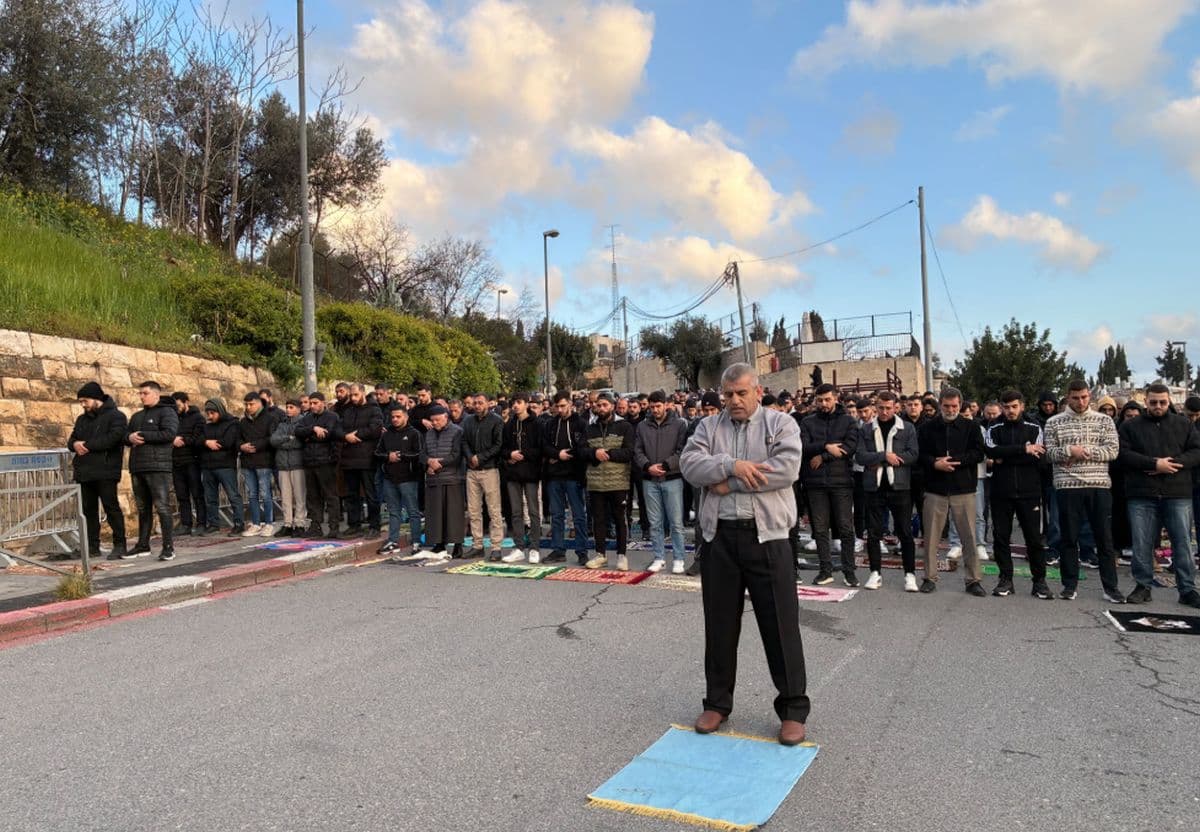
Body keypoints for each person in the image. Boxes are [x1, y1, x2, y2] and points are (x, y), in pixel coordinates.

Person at [680, 363, 808, 747]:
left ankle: (792, 709)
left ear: (758, 391)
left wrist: (728, 483)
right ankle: (717, 703)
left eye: (741, 393)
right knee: (719, 626)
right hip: (719, 538)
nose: (734, 400)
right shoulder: (707, 427)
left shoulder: (781, 424)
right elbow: (690, 465)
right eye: (728, 394)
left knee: (780, 625)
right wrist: (730, 465)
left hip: (767, 537)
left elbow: (785, 469)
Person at [1118, 383, 1200, 607]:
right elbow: (1123, 454)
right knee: (1142, 543)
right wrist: (1153, 463)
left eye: (1162, 402)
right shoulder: (1130, 426)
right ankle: (1143, 586)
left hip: (1177, 493)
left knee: (1182, 543)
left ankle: (1187, 589)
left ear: (1169, 401)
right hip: (1142, 494)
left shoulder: (1184, 424)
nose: (1158, 406)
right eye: (1153, 402)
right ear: (1146, 401)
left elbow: (1196, 451)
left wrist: (1171, 464)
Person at [1043, 380, 1125, 603]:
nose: (1080, 402)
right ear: (1068, 397)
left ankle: (1111, 588)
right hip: (1067, 486)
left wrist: (1082, 452)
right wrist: (1070, 450)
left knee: (1104, 539)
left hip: (1098, 485)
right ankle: (1069, 586)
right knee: (1068, 538)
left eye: (1084, 397)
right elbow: (1049, 454)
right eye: (1075, 398)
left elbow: (1112, 451)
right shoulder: (1053, 422)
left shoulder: (1104, 420)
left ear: (1090, 396)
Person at [917, 387, 987, 595]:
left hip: (963, 488)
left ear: (960, 405)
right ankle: (929, 577)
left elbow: (978, 453)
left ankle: (973, 580)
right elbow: (920, 455)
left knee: (969, 537)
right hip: (935, 489)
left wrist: (956, 461)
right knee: (931, 537)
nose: (950, 409)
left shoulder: (971, 426)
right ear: (940, 405)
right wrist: (935, 463)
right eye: (946, 406)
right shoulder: (927, 428)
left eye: (954, 406)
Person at [984, 391, 1052, 599]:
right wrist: (1023, 449)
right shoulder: (993, 427)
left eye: (1014, 406)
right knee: (1001, 537)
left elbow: (1039, 456)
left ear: (1022, 405)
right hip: (1001, 491)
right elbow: (991, 451)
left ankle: (1039, 582)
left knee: (1034, 539)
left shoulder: (1034, 426)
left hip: (1029, 491)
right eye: (1006, 407)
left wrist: (1005, 455)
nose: (1010, 411)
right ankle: (1005, 580)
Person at [855, 391, 918, 591]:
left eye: (888, 408)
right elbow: (860, 456)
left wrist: (883, 459)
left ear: (895, 407)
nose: (884, 412)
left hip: (900, 486)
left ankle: (910, 574)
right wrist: (884, 456)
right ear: (876, 407)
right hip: (873, 487)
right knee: (874, 533)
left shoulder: (907, 428)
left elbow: (913, 454)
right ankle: (875, 573)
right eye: (881, 408)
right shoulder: (866, 429)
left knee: (905, 532)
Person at [800, 384, 860, 587]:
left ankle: (849, 571)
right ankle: (825, 570)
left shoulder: (848, 421)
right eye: (820, 400)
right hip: (814, 483)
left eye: (827, 399)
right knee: (819, 529)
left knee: (845, 528)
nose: (823, 404)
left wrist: (823, 456)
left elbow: (848, 448)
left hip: (841, 482)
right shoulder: (807, 422)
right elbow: (803, 447)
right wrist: (826, 446)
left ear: (836, 398)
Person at [67, 382, 128, 560]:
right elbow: (71, 440)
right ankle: (92, 547)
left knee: (111, 508)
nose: (83, 405)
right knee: (88, 511)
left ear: (96, 398)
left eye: (85, 401)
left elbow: (112, 439)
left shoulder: (117, 416)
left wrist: (85, 445)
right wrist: (75, 444)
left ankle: (120, 545)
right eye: (81, 402)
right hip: (84, 471)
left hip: (106, 470)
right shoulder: (82, 419)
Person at [634, 390, 690, 574]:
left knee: (676, 522)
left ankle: (679, 558)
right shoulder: (642, 426)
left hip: (672, 478)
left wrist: (666, 465)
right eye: (652, 407)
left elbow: (683, 450)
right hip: (650, 479)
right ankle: (659, 557)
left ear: (666, 405)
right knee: (655, 522)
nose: (655, 410)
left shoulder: (679, 425)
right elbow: (637, 450)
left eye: (658, 406)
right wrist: (647, 466)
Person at [580, 391, 635, 570]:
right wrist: (594, 453)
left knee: (619, 519)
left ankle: (622, 555)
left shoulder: (624, 426)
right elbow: (581, 451)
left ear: (612, 406)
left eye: (605, 405)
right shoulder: (590, 428)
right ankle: (600, 554)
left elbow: (629, 452)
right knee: (598, 520)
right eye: (599, 405)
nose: (601, 408)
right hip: (596, 483)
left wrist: (609, 454)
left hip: (618, 482)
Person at [125, 381, 179, 561]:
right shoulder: (137, 416)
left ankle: (168, 547)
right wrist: (129, 437)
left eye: (145, 393)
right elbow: (125, 436)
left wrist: (142, 435)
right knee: (143, 508)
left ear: (156, 394)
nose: (141, 396)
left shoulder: (167, 412)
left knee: (162, 507)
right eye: (140, 393)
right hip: (137, 467)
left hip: (158, 467)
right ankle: (142, 545)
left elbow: (169, 434)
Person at [542, 391, 590, 565]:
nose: (560, 410)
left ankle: (582, 551)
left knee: (578, 515)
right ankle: (558, 550)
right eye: (558, 406)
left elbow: (582, 447)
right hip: (554, 476)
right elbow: (544, 445)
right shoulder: (551, 424)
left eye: (563, 406)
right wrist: (556, 454)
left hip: (574, 475)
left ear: (570, 403)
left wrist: (563, 455)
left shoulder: (581, 423)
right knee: (556, 515)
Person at [375, 406, 423, 557]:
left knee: (413, 512)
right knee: (393, 512)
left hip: (408, 478)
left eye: (398, 416)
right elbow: (377, 453)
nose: (395, 419)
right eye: (393, 417)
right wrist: (388, 457)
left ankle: (416, 542)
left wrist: (401, 456)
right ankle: (393, 541)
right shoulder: (386, 434)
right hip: (389, 478)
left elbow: (419, 454)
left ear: (406, 417)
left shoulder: (414, 433)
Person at [295, 392, 345, 538]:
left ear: (323, 402)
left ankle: (334, 527)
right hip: (309, 461)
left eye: (315, 403)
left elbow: (328, 434)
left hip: (326, 461)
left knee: (331, 495)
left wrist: (309, 437)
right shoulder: (307, 418)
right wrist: (313, 429)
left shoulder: (332, 417)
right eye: (310, 403)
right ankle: (315, 526)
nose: (312, 406)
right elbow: (298, 431)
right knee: (313, 496)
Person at [500, 393, 543, 563]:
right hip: (513, 474)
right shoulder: (509, 424)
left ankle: (534, 547)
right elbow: (503, 448)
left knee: (533, 511)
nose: (515, 406)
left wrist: (522, 454)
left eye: (519, 402)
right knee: (516, 512)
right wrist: (510, 454)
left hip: (531, 473)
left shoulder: (537, 424)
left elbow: (540, 449)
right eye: (513, 403)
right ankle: (519, 547)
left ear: (526, 404)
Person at [462, 392, 505, 560]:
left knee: (494, 510)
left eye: (480, 402)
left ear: (488, 403)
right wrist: (470, 457)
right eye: (475, 403)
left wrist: (480, 457)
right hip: (472, 471)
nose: (477, 406)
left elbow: (498, 445)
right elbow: (464, 441)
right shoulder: (468, 421)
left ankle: (496, 547)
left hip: (490, 470)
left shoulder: (496, 421)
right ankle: (477, 545)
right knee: (473, 511)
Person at [338, 383, 384, 537]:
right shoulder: (348, 411)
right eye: (351, 395)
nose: (353, 398)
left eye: (355, 394)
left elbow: (375, 429)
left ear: (363, 393)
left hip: (367, 459)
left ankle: (374, 526)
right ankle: (354, 524)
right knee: (351, 495)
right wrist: (346, 436)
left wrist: (355, 435)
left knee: (371, 495)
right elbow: (338, 428)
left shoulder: (374, 409)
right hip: (349, 459)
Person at [197, 398, 244, 536]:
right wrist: (206, 443)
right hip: (207, 466)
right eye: (208, 413)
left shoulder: (232, 423)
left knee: (233, 496)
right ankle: (213, 524)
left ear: (220, 411)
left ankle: (239, 524)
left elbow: (228, 442)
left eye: (213, 413)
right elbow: (197, 441)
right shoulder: (206, 426)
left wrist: (210, 443)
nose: (210, 416)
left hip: (225, 466)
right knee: (210, 498)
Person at [423, 405, 464, 561]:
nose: (434, 423)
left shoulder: (457, 431)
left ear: (446, 418)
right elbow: (422, 454)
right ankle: (439, 544)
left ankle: (458, 545)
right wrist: (428, 462)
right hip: (433, 480)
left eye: (438, 420)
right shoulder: (428, 434)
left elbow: (456, 455)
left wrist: (438, 464)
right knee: (435, 514)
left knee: (453, 514)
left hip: (452, 478)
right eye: (432, 420)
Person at [239, 392, 279, 537]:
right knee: (252, 494)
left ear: (259, 403)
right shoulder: (243, 422)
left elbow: (272, 438)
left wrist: (255, 445)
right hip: (247, 461)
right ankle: (256, 523)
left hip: (264, 461)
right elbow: (237, 438)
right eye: (246, 404)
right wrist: (241, 446)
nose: (248, 407)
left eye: (251, 404)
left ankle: (269, 523)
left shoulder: (270, 418)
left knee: (265, 493)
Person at [269, 399, 308, 537]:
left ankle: (300, 523)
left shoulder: (303, 422)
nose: (288, 409)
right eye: (287, 407)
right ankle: (287, 523)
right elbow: (273, 440)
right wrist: (289, 438)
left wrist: (284, 442)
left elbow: (299, 443)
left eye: (291, 407)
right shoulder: (282, 424)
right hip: (282, 465)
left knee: (299, 496)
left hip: (298, 464)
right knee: (285, 497)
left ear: (298, 408)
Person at [170, 391, 206, 536]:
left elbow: (198, 438)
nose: (177, 408)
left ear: (186, 402)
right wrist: (173, 440)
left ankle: (202, 523)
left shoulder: (198, 418)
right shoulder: (172, 418)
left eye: (178, 405)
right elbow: (167, 434)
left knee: (197, 494)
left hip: (192, 461)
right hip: (176, 461)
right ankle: (186, 524)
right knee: (181, 495)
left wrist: (182, 440)